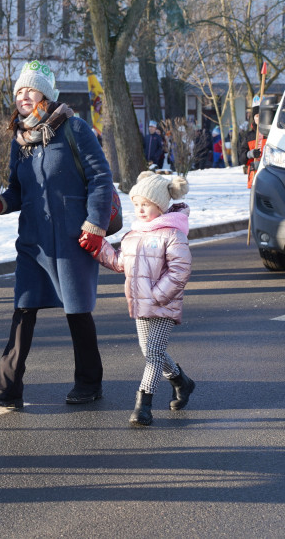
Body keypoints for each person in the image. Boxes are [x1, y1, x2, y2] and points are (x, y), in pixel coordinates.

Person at [0, 60, 113, 409]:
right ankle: (8, 388)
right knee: (23, 308)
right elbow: (18, 190)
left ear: (46, 93)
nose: (23, 96)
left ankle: (89, 382)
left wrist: (95, 222)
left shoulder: (74, 127)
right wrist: (0, 203)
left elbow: (101, 177)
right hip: (33, 240)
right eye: (19, 90)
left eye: (31, 89)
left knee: (77, 310)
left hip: (73, 237)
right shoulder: (20, 138)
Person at [92, 171, 194, 427]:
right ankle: (182, 381)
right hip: (140, 305)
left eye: (145, 205)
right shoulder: (133, 234)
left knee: (153, 354)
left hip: (162, 303)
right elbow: (119, 263)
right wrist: (97, 246)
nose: (140, 209)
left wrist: (157, 295)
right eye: (136, 204)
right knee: (150, 351)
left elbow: (180, 270)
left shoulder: (172, 234)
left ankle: (143, 405)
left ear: (159, 206)